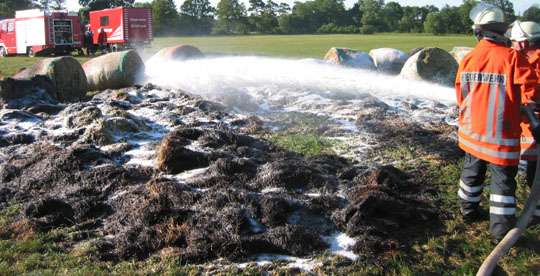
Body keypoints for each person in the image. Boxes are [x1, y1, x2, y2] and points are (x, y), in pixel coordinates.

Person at [455, 4, 540, 243]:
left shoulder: (468, 58)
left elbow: (461, 94)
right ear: (502, 32)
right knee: (502, 183)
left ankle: (468, 211)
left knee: (471, 173)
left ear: (479, 32)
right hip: (500, 137)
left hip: (471, 133)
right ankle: (500, 234)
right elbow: (532, 94)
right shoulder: (512, 58)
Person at [509, 20, 540, 225]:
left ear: (524, 43)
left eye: (514, 42)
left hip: (535, 123)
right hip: (532, 123)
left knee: (534, 173)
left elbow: (532, 93)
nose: (512, 46)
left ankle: (537, 214)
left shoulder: (532, 61)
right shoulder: (530, 57)